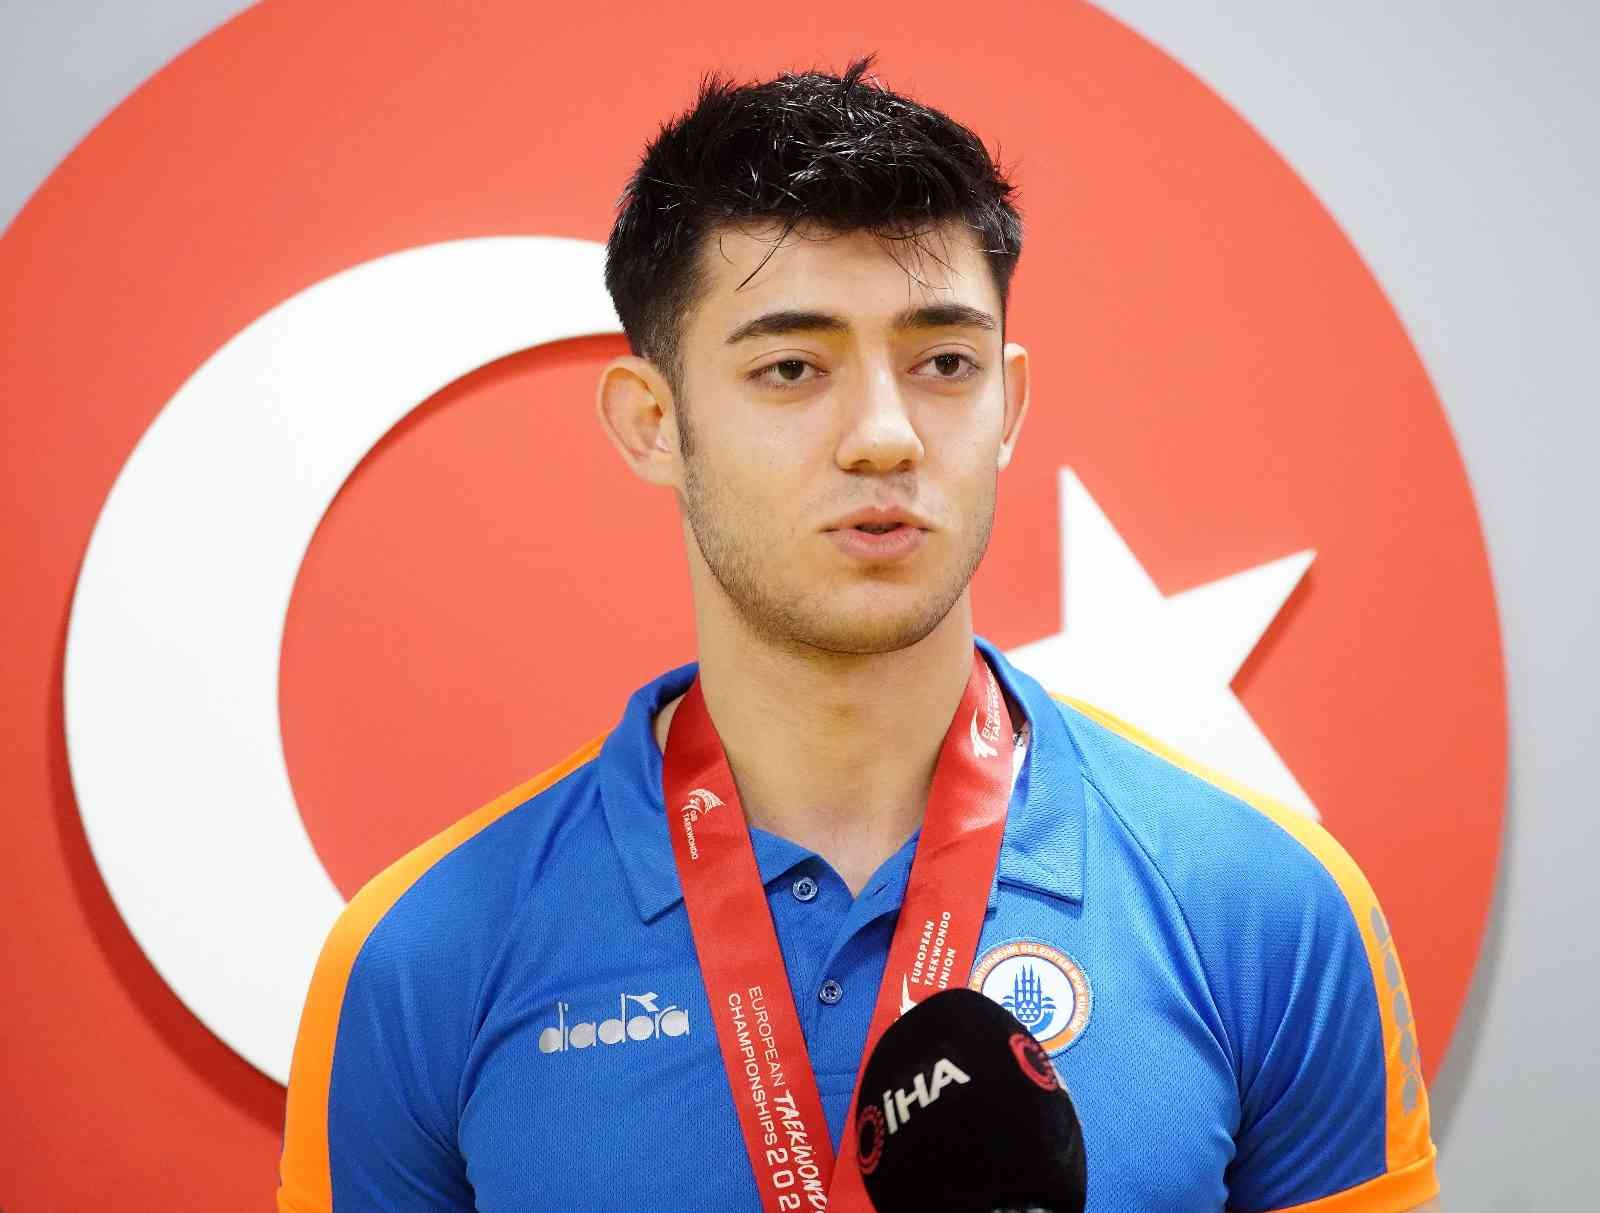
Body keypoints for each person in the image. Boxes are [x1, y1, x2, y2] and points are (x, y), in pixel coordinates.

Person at [277, 59, 1439, 1212]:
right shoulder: (421, 960)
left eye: (943, 363)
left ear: (1009, 404)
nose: (884, 434)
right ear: (652, 422)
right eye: (791, 367)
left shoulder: (1266, 907)